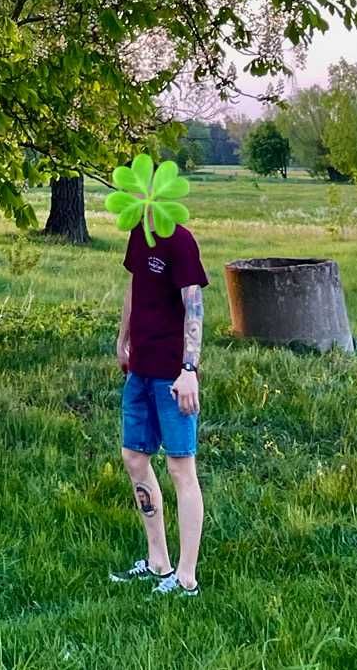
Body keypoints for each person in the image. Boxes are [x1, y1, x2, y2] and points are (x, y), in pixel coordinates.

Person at [111, 215, 208, 596]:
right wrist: (123, 340)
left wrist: (189, 369)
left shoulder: (180, 241)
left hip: (173, 375)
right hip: (141, 369)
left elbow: (195, 307)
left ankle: (186, 578)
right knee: (134, 458)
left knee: (180, 467)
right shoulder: (139, 234)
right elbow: (134, 287)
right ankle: (158, 562)